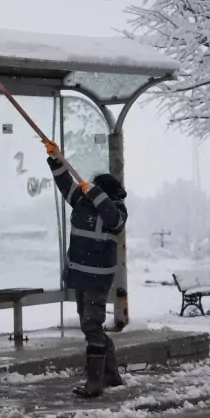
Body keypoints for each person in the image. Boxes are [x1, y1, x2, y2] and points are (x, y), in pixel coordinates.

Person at [44, 140, 128, 398]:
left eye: (92, 189)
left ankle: (95, 384)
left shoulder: (116, 212)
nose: (85, 191)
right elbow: (65, 185)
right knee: (91, 325)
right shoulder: (82, 204)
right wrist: (55, 160)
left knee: (92, 327)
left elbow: (114, 219)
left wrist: (95, 193)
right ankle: (112, 376)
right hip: (79, 276)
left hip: (97, 280)